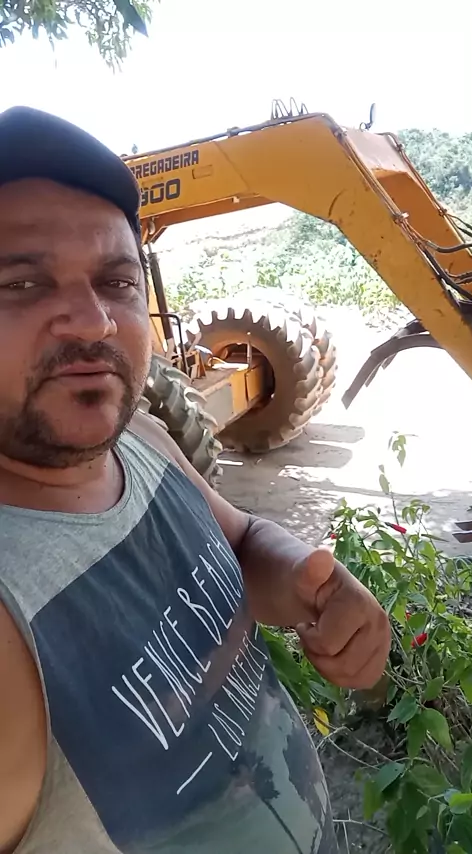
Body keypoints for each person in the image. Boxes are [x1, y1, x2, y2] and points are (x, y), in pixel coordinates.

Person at [0, 106, 390, 854]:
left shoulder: (145, 441)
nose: (94, 321)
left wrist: (306, 581)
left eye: (116, 280)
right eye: (21, 282)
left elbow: (237, 537)